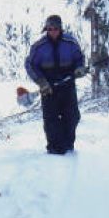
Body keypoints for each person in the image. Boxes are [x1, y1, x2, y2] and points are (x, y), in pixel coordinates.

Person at [24, 14, 87, 154]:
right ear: (46, 29)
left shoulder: (70, 43)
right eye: (50, 28)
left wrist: (79, 68)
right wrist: (41, 82)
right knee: (51, 118)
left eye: (55, 28)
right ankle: (55, 148)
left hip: (68, 84)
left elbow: (79, 59)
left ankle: (68, 144)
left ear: (60, 29)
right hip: (48, 87)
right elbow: (30, 65)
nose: (52, 31)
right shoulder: (39, 47)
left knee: (72, 116)